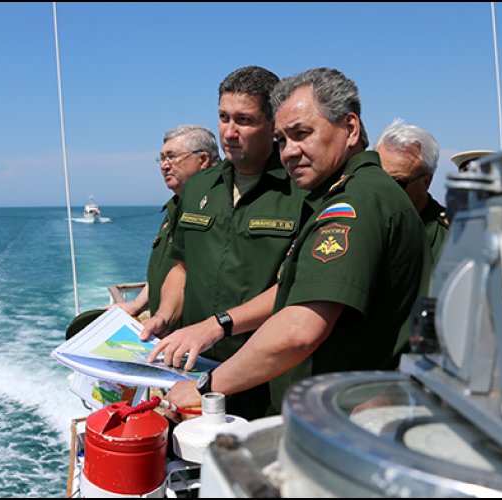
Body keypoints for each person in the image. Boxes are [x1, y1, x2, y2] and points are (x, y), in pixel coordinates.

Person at [156, 67, 429, 415]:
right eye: (283, 140)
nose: (289, 152)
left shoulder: (354, 203)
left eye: (302, 134)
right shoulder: (353, 194)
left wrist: (206, 387)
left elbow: (300, 328)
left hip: (345, 421)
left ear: (350, 128)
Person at [141, 66, 304, 420]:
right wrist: (166, 314)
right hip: (194, 368)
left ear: (273, 122)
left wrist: (216, 325)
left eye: (244, 120)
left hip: (266, 377)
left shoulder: (300, 190)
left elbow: (295, 287)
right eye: (223, 117)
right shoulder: (200, 187)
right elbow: (182, 264)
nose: (229, 132)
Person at [118, 124, 220, 319]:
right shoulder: (176, 206)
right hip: (165, 330)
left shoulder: (220, 206)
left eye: (172, 157)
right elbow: (168, 268)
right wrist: (136, 305)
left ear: (203, 159)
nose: (164, 166)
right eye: (162, 158)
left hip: (197, 337)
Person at [375, 118, 449, 263]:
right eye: (378, 178)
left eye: (397, 182)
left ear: (426, 182)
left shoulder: (449, 238)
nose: (384, 189)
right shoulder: (360, 224)